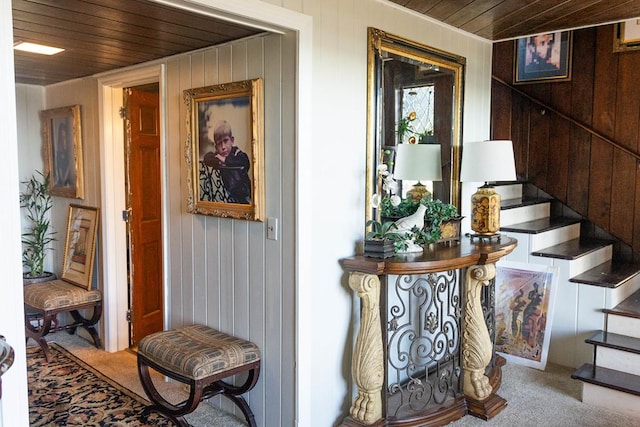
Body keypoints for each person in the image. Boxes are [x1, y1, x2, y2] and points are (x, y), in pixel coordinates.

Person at [203, 120, 251, 204]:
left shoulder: (237, 153)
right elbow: (207, 158)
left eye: (225, 141)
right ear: (216, 147)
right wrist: (218, 161)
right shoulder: (219, 155)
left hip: (244, 194)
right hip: (228, 194)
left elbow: (245, 161)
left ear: (232, 140)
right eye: (219, 143)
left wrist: (226, 160)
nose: (223, 147)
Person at [54, 121, 74, 187]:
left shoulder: (69, 151)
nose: (63, 140)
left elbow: (69, 165)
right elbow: (61, 179)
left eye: (64, 137)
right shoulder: (59, 154)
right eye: (61, 137)